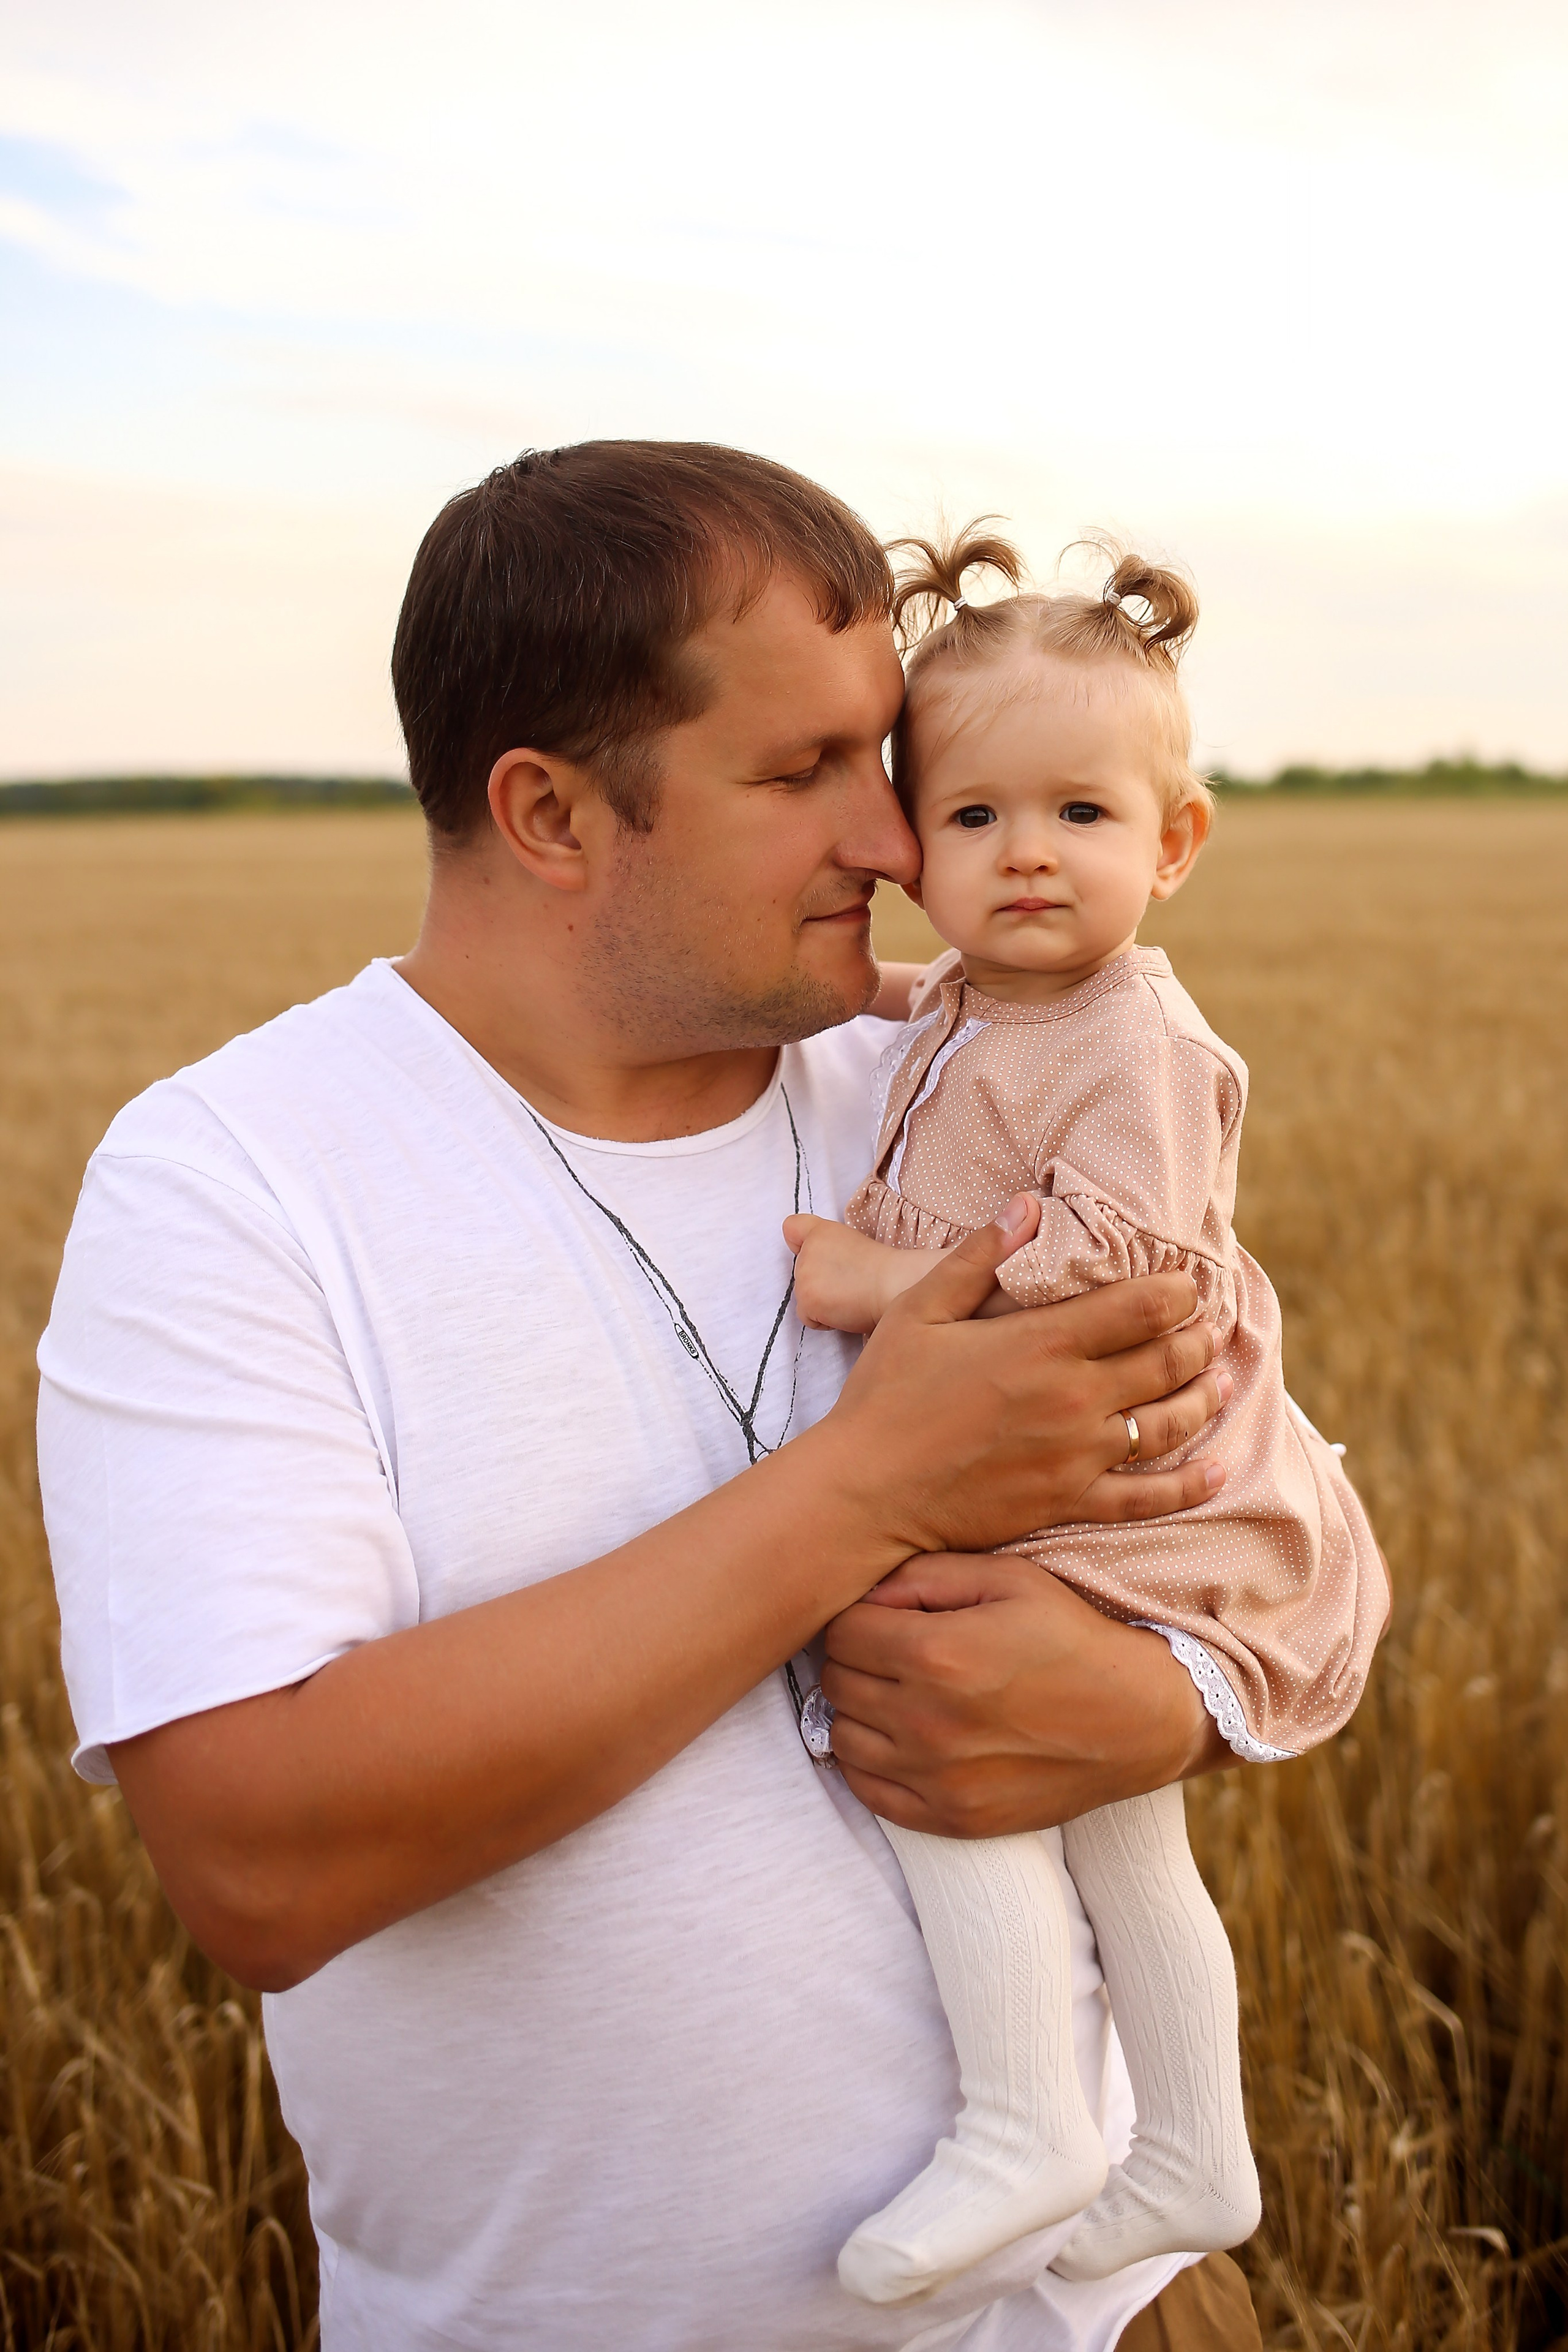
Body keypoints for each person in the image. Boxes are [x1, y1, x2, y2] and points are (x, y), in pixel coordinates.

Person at [38, 442, 1264, 2351]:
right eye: (804, 771)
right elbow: (261, 1858)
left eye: (885, 756)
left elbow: (1288, 1530)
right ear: (548, 812)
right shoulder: (238, 1183)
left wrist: (1156, 1707)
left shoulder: (953, 1075)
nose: (895, 839)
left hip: (1109, 2319)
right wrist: (867, 1493)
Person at [785, 523, 1388, 2308]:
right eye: (974, 817)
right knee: (1127, 1830)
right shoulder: (987, 998)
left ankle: (1030, 2122)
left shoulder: (1144, 1044)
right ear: (913, 847)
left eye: (1081, 814)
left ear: (1173, 843)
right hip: (1065, 1485)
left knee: (932, 1750)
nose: (1027, 853)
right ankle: (1192, 2147)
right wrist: (866, 992)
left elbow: (1123, 1271)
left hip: (1104, 1495)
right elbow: (947, 1024)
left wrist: (876, 1281)